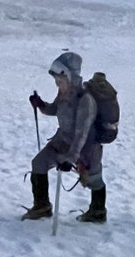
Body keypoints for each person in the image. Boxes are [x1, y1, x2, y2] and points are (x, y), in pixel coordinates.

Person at [24, 51, 107, 223]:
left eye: (60, 81)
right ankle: (42, 206)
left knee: (94, 180)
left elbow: (82, 134)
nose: (57, 84)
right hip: (62, 141)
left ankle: (98, 212)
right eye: (56, 81)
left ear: (70, 77)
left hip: (86, 148)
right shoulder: (64, 93)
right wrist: (41, 104)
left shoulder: (85, 100)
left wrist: (71, 158)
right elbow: (55, 109)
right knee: (38, 163)